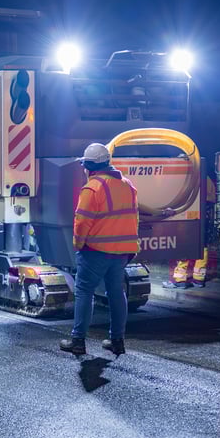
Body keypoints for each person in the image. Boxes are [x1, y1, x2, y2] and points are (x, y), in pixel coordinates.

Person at [60, 142, 139, 356]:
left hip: (95, 250)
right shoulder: (128, 185)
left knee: (84, 292)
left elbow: (82, 221)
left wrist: (78, 244)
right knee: (116, 292)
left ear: (89, 167)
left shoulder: (92, 188)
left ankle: (78, 341)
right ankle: (117, 341)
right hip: (122, 251)